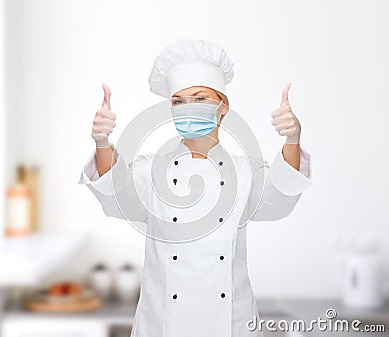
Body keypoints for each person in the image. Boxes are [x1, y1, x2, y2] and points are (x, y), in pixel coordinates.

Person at [78, 38, 312, 337]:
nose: (188, 108)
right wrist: (101, 141)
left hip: (230, 324)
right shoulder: (153, 170)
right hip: (163, 324)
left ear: (223, 106)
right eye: (178, 101)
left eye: (200, 98)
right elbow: (116, 192)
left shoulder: (245, 172)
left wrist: (293, 140)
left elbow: (280, 200)